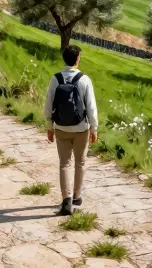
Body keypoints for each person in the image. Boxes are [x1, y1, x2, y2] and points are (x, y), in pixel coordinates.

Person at [44, 44, 98, 215]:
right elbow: (91, 107)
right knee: (80, 162)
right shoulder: (85, 79)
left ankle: (66, 200)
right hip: (81, 128)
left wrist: (49, 126)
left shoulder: (55, 79)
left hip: (60, 127)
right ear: (77, 59)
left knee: (64, 164)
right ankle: (77, 196)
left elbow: (48, 105)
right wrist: (94, 128)